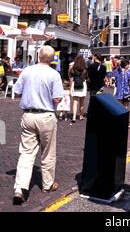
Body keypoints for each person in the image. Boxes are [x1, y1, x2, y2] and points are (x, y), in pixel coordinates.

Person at [12, 45, 64, 205]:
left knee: (26, 153)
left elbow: (17, 90)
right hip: (46, 115)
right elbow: (57, 99)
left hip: (28, 115)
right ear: (52, 58)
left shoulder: (27, 71)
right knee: (48, 152)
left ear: (38, 55)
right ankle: (47, 185)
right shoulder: (54, 74)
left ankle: (20, 188)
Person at [69, 55, 88, 123]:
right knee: (82, 102)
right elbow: (87, 78)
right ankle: (81, 115)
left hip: (75, 84)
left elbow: (70, 77)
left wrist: (70, 86)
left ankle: (74, 116)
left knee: (75, 102)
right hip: (83, 84)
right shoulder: (85, 69)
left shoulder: (73, 69)